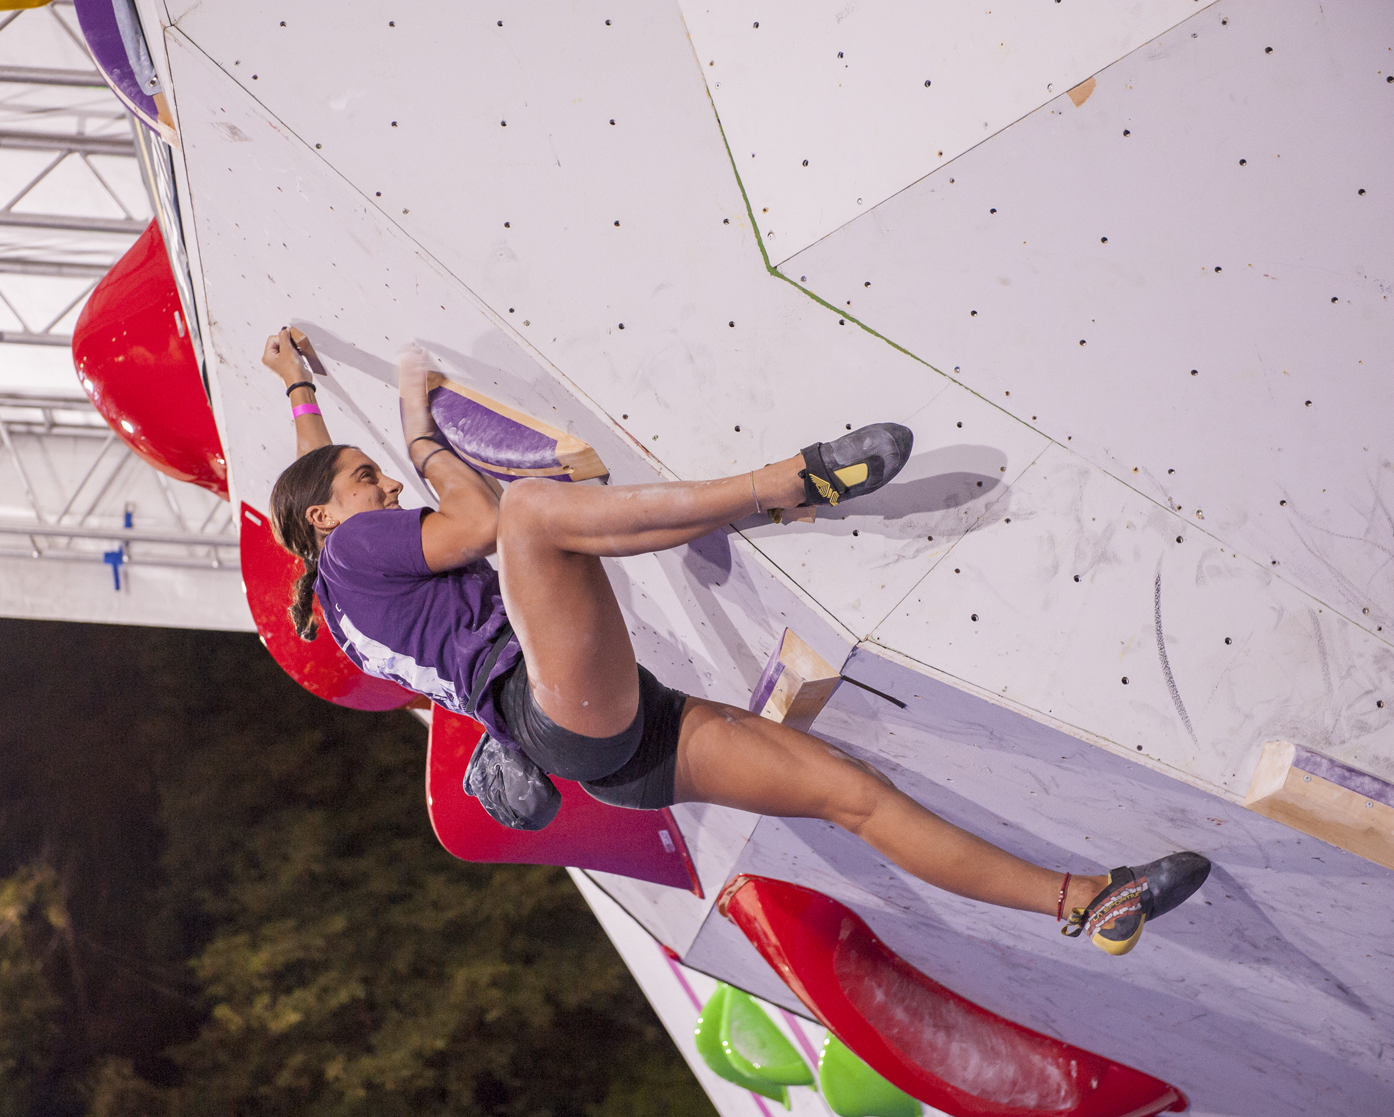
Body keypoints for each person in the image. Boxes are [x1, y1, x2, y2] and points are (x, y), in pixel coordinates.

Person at [263, 329, 1209, 956]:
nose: (389, 486)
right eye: (369, 479)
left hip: (611, 746)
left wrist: (303, 389)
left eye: (384, 473)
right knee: (532, 516)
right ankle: (785, 481)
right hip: (555, 710)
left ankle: (1085, 900)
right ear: (325, 519)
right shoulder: (349, 548)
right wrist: (418, 432)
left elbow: (315, 483)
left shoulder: (341, 607)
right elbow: (474, 521)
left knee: (854, 797)